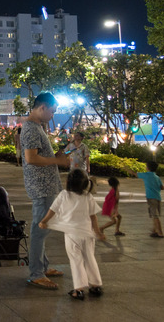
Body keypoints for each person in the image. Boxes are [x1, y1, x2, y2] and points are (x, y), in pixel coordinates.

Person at [22, 92, 71, 290]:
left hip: (46, 185)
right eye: (52, 111)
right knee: (39, 229)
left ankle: (42, 266)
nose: (53, 115)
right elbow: (31, 159)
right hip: (41, 187)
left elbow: (38, 155)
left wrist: (56, 155)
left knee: (43, 228)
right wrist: (58, 161)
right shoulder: (31, 129)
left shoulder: (36, 127)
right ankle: (36, 273)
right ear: (42, 107)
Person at [39, 169, 105, 300]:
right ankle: (95, 285)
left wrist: (43, 221)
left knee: (76, 260)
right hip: (87, 234)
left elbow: (52, 210)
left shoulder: (64, 195)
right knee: (90, 258)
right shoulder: (88, 196)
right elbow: (93, 217)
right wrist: (97, 232)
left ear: (68, 182)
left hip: (72, 234)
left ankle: (79, 289)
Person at [136, 161, 164, 237]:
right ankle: (154, 231)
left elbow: (135, 174)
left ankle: (160, 233)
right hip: (158, 197)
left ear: (148, 168)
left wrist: (126, 169)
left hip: (151, 198)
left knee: (155, 216)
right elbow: (162, 187)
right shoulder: (157, 177)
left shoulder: (146, 175)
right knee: (154, 214)